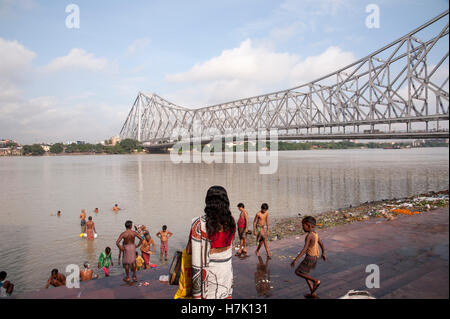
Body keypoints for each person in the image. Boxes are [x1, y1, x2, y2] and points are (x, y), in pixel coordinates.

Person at [187, 185, 236, 299]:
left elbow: (189, 251)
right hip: (226, 271)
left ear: (208, 201)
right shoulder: (231, 222)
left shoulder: (199, 224)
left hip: (209, 275)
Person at [290, 216, 327, 299]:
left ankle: (315, 281)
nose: (302, 227)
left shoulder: (309, 236)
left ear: (309, 225)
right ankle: (313, 293)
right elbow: (321, 243)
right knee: (305, 274)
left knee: (298, 272)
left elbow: (304, 249)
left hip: (309, 258)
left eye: (303, 225)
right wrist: (323, 253)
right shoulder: (315, 233)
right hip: (314, 257)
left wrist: (295, 260)